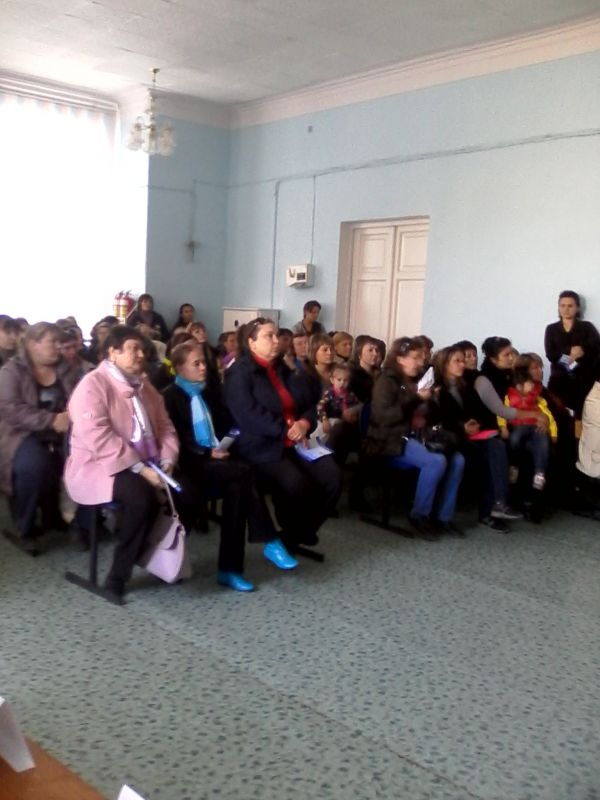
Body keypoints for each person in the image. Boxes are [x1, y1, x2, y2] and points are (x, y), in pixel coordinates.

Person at [163, 340, 296, 588]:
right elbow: (174, 438)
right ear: (179, 367)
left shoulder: (209, 393)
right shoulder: (169, 397)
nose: (204, 367)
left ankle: (230, 569)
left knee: (239, 486)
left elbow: (228, 425)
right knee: (243, 473)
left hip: (217, 460)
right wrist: (207, 452)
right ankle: (267, 539)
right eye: (196, 363)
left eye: (204, 362)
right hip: (189, 463)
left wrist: (226, 443)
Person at [65, 326, 179, 598]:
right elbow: (98, 436)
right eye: (132, 349)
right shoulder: (93, 384)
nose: (140, 355)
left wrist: (167, 459)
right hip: (100, 465)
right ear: (112, 353)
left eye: (142, 349)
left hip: (148, 460)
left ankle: (150, 553)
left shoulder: (143, 385)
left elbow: (165, 427)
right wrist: (140, 469)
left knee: (187, 491)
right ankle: (118, 575)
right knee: (141, 498)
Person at [224, 318, 342, 551]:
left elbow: (308, 404)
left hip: (298, 439)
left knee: (333, 477)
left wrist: (305, 423)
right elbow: (247, 414)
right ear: (252, 343)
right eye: (269, 336)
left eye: (276, 335)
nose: (276, 340)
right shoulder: (239, 373)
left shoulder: (284, 368)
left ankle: (297, 534)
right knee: (297, 484)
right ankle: (294, 532)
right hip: (262, 445)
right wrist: (286, 430)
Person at [365, 337, 465, 539]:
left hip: (420, 437)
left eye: (422, 357)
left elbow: (431, 416)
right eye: (416, 357)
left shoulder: (421, 380)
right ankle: (419, 515)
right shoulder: (386, 381)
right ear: (400, 358)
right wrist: (417, 398)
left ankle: (444, 517)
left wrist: (434, 399)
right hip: (390, 441)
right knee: (435, 462)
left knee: (458, 460)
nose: (421, 361)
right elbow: (385, 417)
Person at [0, 322, 80, 552]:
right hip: (21, 433)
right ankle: (24, 526)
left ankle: (58, 516)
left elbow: (81, 397)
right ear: (33, 344)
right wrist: (51, 420)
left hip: (64, 431)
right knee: (34, 466)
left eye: (60, 342)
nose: (59, 347)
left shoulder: (67, 369)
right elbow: (11, 409)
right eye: (52, 342)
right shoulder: (11, 371)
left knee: (82, 460)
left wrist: (72, 416)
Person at [497, 357, 557, 492]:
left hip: (536, 430)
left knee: (542, 442)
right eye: (535, 368)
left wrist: (552, 431)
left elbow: (548, 416)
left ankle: (540, 474)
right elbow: (502, 413)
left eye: (541, 367)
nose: (540, 371)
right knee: (516, 438)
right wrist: (503, 427)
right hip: (518, 428)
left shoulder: (539, 397)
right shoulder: (510, 396)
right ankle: (514, 466)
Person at [544, 290, 600, 419]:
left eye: (570, 306)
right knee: (558, 413)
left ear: (577, 308)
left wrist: (582, 351)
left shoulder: (587, 327)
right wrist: (569, 353)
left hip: (584, 378)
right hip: (560, 378)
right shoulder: (551, 329)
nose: (566, 309)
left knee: (584, 416)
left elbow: (596, 349)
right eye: (562, 305)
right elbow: (551, 354)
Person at [316, 363, 360, 444]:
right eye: (339, 380)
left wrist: (354, 415)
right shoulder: (329, 393)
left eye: (345, 380)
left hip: (345, 424)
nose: (342, 383)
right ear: (332, 380)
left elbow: (357, 406)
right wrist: (324, 419)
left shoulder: (350, 395)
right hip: (330, 421)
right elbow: (320, 407)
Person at [348, 335, 381, 404]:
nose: (375, 354)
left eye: (376, 350)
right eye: (370, 350)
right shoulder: (351, 375)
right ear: (359, 354)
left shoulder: (381, 373)